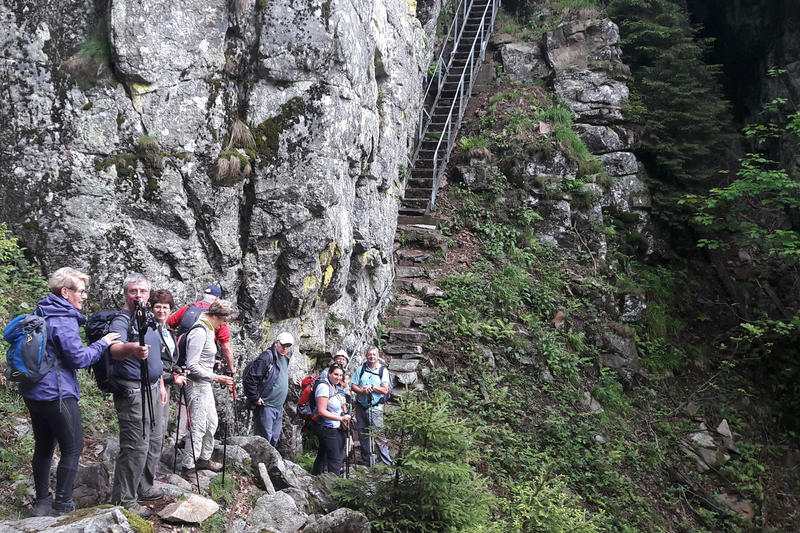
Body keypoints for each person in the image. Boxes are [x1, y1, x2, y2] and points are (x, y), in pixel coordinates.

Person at [19, 267, 120, 516]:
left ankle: (42, 502)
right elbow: (78, 358)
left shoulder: (42, 311)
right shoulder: (63, 319)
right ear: (66, 292)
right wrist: (103, 342)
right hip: (57, 393)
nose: (84, 296)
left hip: (34, 392)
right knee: (73, 447)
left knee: (43, 446)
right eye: (81, 291)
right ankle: (63, 504)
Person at [108, 273, 168, 518]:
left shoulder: (147, 318)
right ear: (125, 294)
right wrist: (131, 349)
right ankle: (125, 500)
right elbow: (114, 349)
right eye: (133, 291)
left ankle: (143, 485)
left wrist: (161, 382)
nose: (138, 295)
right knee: (135, 446)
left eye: (142, 291)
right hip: (133, 391)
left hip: (153, 387)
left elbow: (155, 358)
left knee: (155, 440)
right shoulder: (121, 320)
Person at [180, 300, 236, 479]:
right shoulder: (199, 331)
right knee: (198, 425)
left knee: (212, 422)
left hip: (205, 384)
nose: (225, 324)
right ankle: (188, 466)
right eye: (225, 320)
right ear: (216, 316)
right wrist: (216, 377)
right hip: (195, 384)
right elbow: (192, 365)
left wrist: (214, 363)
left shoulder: (210, 328)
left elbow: (203, 358)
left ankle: (204, 457)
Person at [167, 285, 236, 374]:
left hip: (179, 360)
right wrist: (231, 367)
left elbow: (167, 324)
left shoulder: (188, 309)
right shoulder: (217, 316)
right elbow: (226, 346)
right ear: (217, 299)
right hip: (201, 367)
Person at [244, 332, 294, 446]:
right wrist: (255, 397)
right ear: (276, 343)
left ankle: (269, 463)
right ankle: (260, 463)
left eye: (288, 346)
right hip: (266, 405)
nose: (285, 348)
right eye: (283, 345)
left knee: (274, 439)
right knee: (264, 439)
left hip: (278, 406)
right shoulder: (267, 357)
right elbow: (251, 379)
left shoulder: (286, 355)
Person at [149, 289, 187, 440]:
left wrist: (178, 370)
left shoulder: (169, 331)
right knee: (156, 425)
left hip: (167, 382)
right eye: (158, 306)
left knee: (162, 424)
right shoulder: (150, 330)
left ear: (171, 310)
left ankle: (154, 461)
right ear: (152, 308)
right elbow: (152, 359)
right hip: (155, 382)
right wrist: (172, 377)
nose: (161, 310)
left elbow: (171, 359)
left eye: (165, 307)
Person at [350, 346, 393, 466]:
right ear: (366, 356)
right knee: (363, 435)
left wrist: (372, 388)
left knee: (379, 435)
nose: (372, 357)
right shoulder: (361, 368)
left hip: (375, 407)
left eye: (374, 354)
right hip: (361, 406)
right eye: (369, 354)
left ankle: (387, 463)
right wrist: (362, 391)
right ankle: (367, 462)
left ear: (378, 356)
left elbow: (385, 389)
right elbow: (353, 385)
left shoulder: (382, 370)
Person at [311, 364, 351, 476]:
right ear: (329, 374)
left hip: (334, 427)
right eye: (335, 374)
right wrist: (341, 418)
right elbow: (321, 411)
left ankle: (316, 478)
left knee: (322, 455)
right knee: (335, 459)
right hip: (328, 428)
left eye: (340, 375)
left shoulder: (334, 387)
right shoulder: (324, 387)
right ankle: (334, 487)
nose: (338, 377)